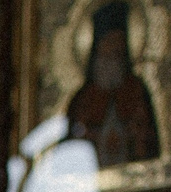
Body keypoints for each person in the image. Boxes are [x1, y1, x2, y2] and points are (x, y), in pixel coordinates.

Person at [64, 3, 160, 168]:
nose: (114, 49)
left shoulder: (136, 91)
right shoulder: (83, 98)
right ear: (98, 46)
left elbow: (148, 145)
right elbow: (70, 151)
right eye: (109, 42)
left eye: (119, 44)